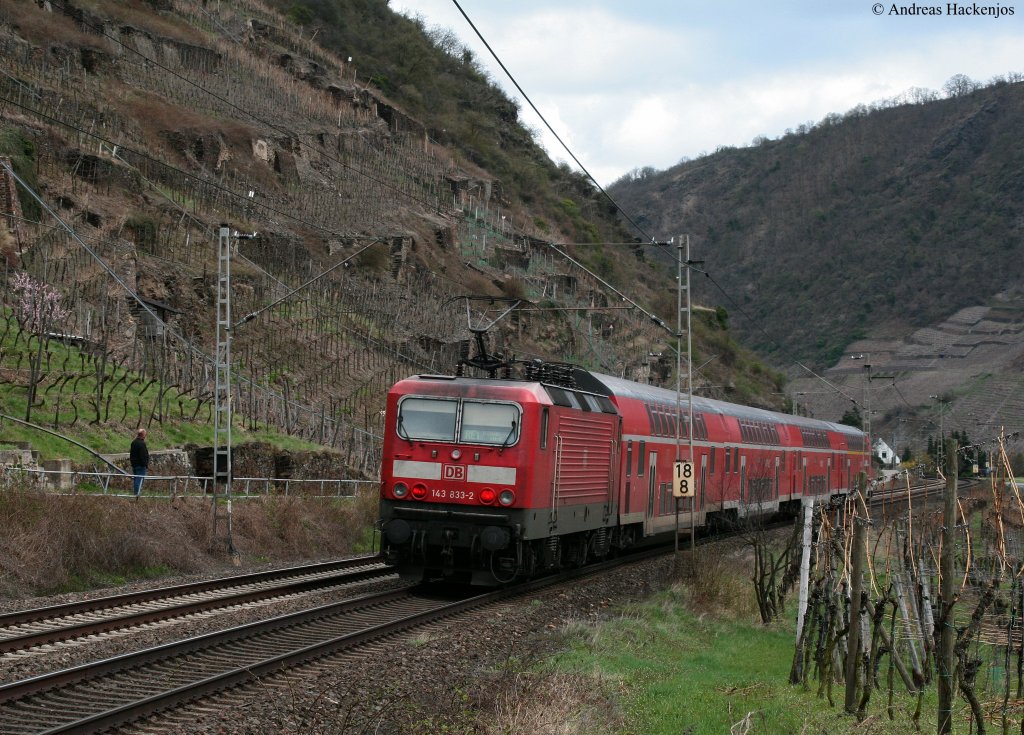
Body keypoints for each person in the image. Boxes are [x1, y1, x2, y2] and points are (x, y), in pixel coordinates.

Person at [130, 428, 149, 497]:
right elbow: (143, 456)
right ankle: (137, 495)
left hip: (134, 465)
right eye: (145, 435)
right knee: (139, 481)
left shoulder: (133, 442)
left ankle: (136, 494)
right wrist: (145, 464)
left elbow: (131, 454)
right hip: (140, 466)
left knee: (136, 480)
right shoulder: (142, 444)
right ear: (143, 435)